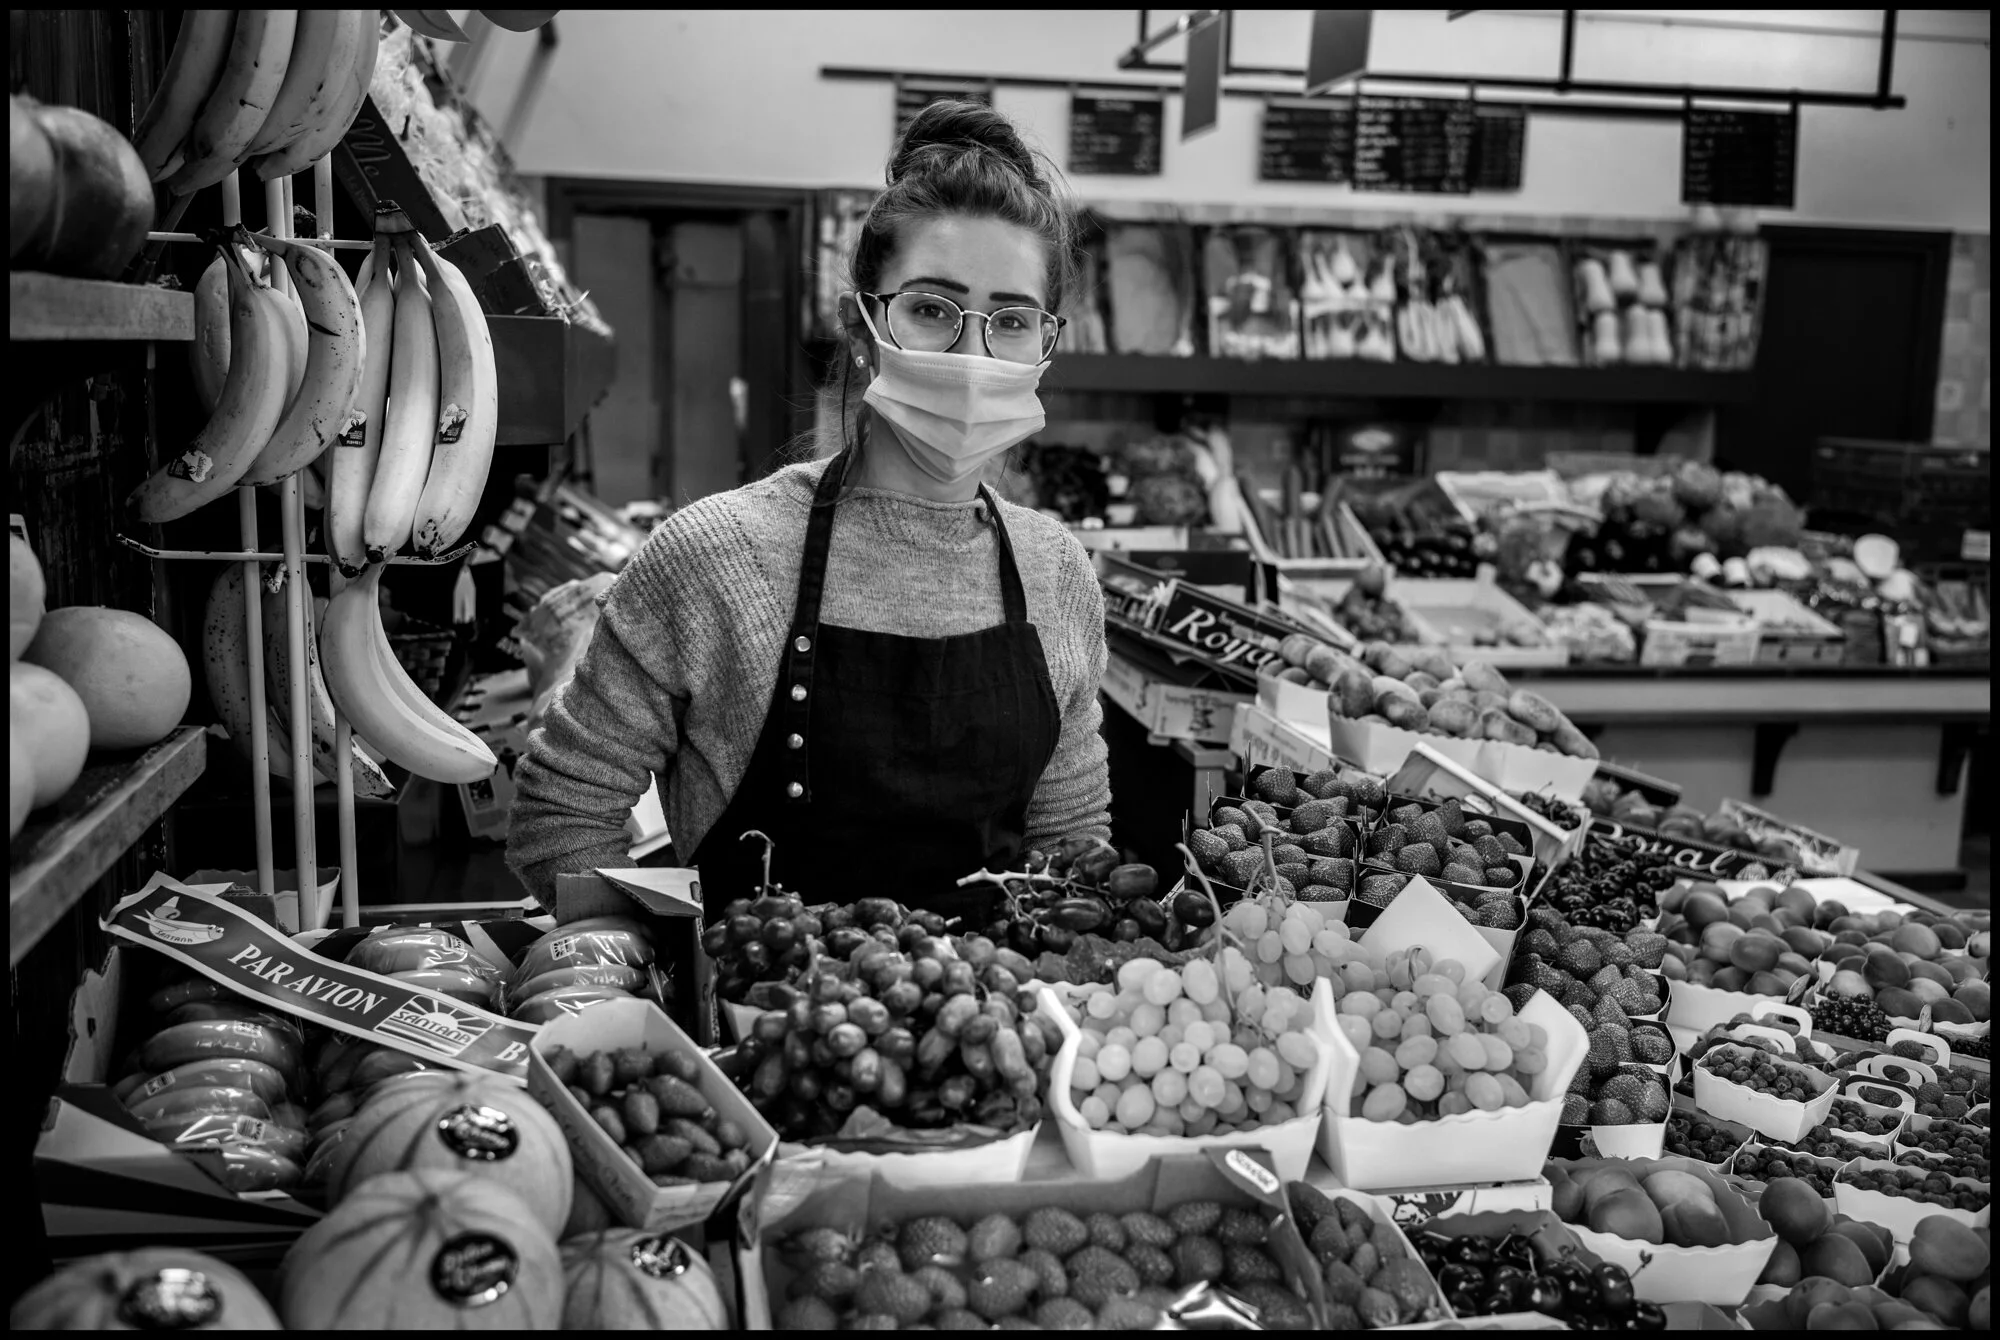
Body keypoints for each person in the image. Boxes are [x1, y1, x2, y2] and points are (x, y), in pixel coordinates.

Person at [506, 100, 1113, 923]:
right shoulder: (718, 557)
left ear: (1044, 344)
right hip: (755, 1035)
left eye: (1010, 321)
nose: (974, 354)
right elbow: (561, 816)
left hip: (996, 1034)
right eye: (932, 309)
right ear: (862, 325)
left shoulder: (1058, 573)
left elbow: (1072, 843)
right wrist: (673, 984)